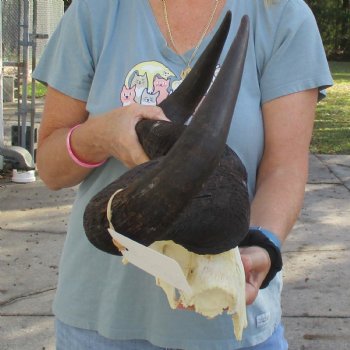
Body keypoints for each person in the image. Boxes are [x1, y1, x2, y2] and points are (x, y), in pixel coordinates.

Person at [33, 0, 333, 349]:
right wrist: (99, 136)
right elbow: (51, 169)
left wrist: (261, 247)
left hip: (228, 320)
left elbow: (284, 169)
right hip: (100, 322)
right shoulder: (95, 12)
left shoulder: (281, 16)